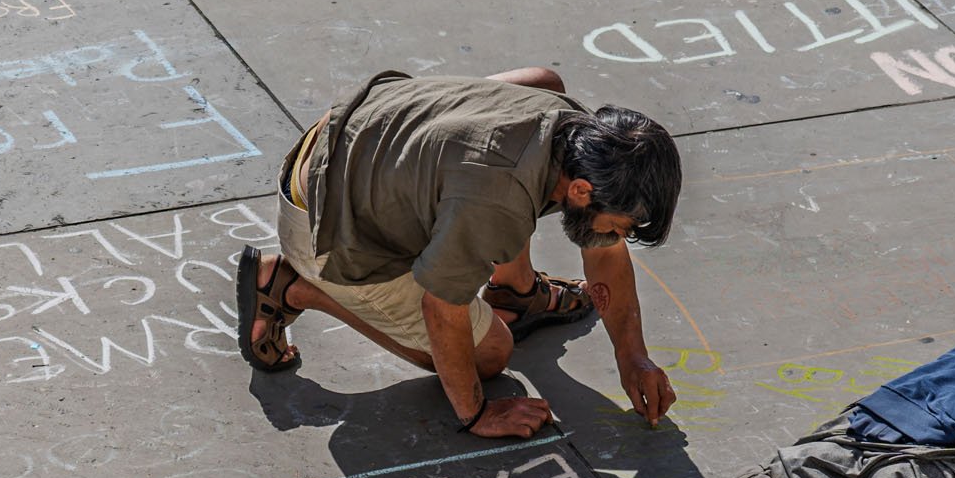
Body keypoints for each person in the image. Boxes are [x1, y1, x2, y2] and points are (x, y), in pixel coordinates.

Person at [236, 67, 682, 441]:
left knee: (542, 82)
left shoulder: (571, 129)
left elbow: (604, 252)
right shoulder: (496, 199)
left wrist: (632, 356)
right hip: (325, 225)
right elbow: (441, 306)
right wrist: (476, 414)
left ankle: (516, 291)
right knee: (488, 354)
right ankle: (297, 288)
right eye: (620, 224)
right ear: (584, 189)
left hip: (350, 136)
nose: (616, 237)